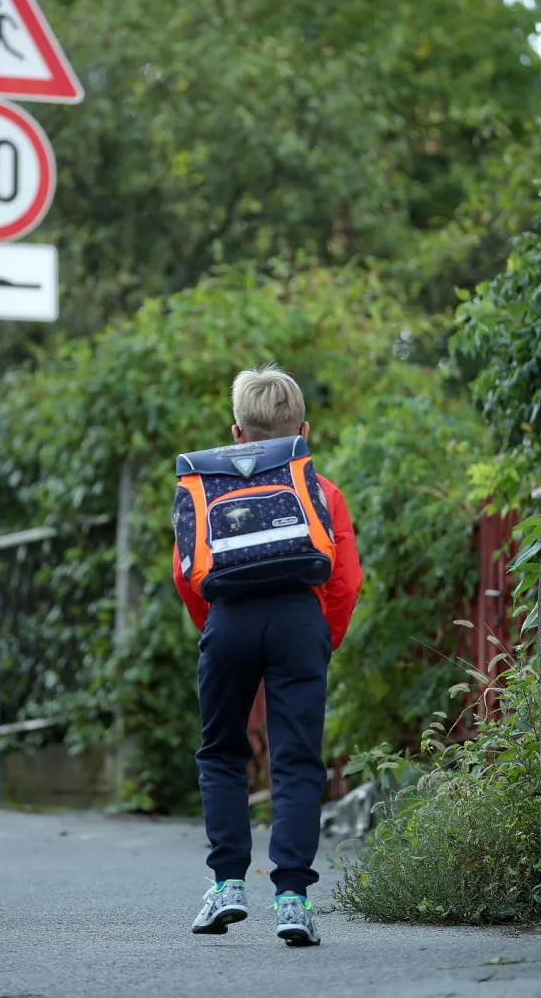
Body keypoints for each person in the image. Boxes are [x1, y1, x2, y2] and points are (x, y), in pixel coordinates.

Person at [172, 363, 363, 947]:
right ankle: (292, 900)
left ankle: (228, 883)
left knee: (223, 752)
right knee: (297, 760)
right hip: (300, 621)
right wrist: (319, 638)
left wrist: (217, 628)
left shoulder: (207, 486)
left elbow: (188, 574)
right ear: (302, 430)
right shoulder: (322, 491)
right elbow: (346, 579)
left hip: (229, 620)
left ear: (236, 433)